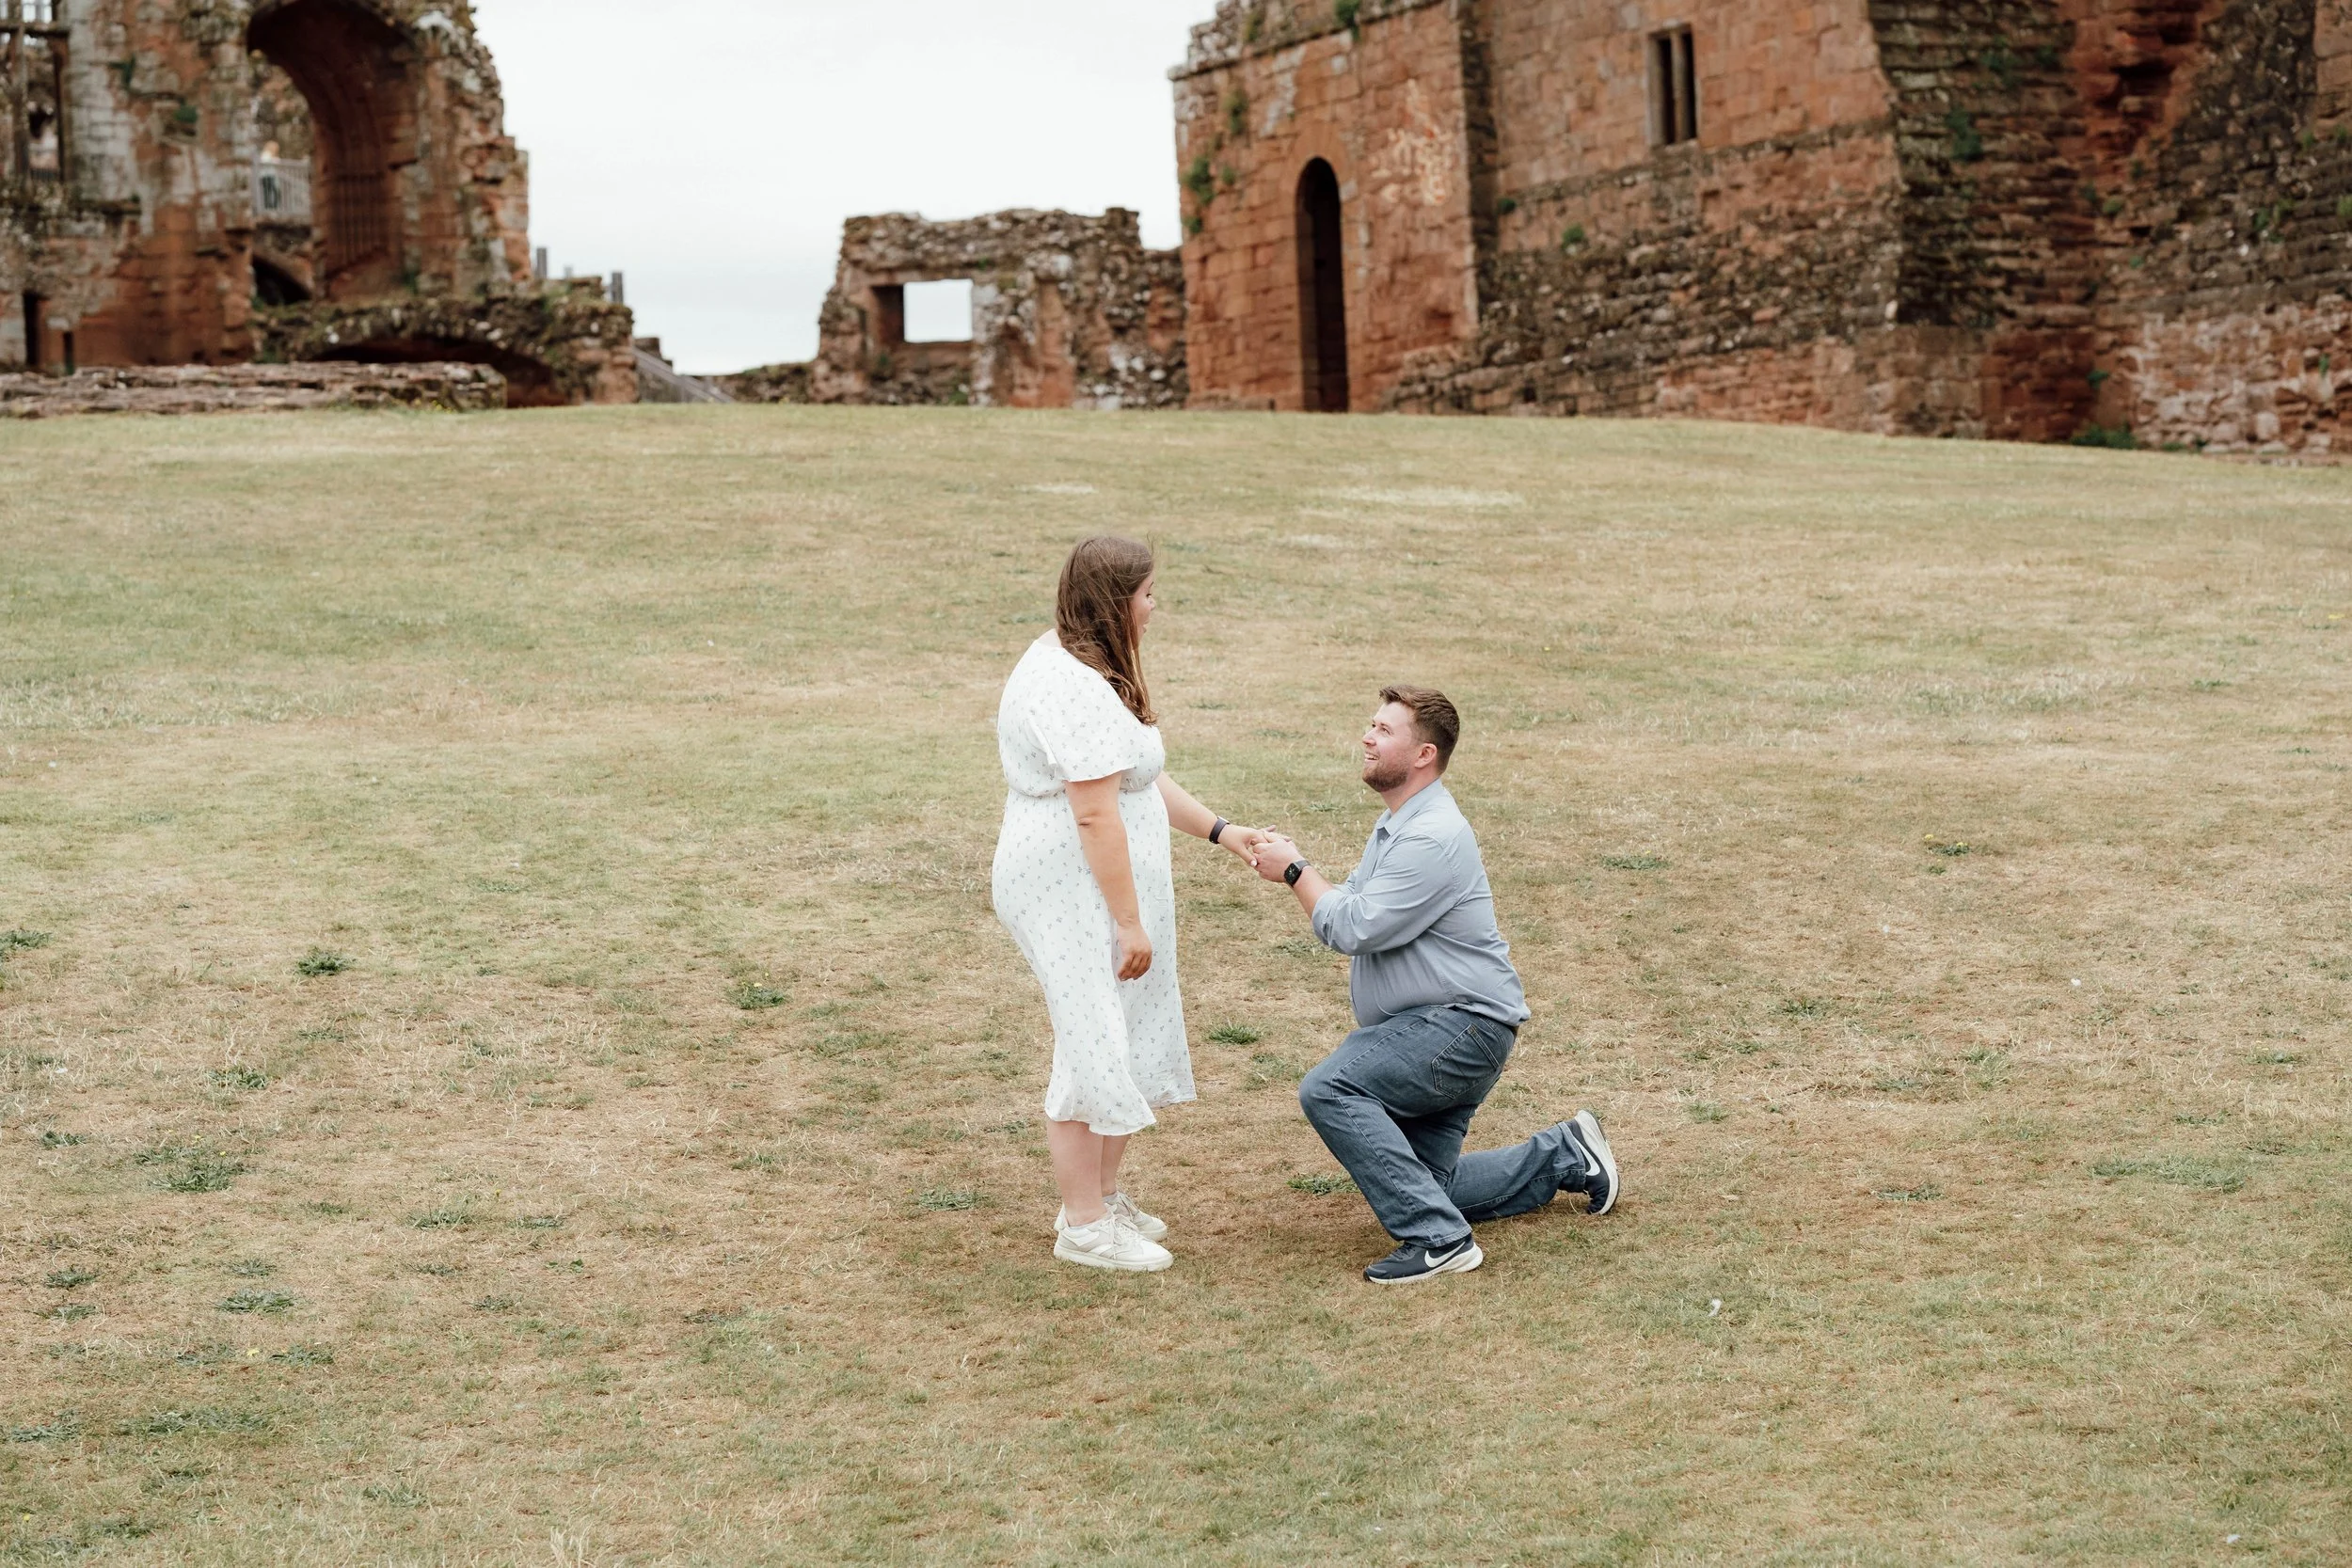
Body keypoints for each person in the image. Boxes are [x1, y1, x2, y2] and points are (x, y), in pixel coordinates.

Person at [1248, 686, 1620, 1284]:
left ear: (1424, 754)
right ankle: (1566, 1154)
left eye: (1384, 730)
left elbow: (1353, 925)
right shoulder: (1400, 824)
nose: (1367, 737)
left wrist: (1294, 870)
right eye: (1370, 725)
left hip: (1457, 1028)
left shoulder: (1430, 836)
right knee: (1430, 1185)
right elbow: (1355, 904)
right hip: (1438, 1029)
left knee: (1331, 1088)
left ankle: (1440, 1241)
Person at [993, 536, 1269, 1273]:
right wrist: (1125, 920)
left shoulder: (1092, 665)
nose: (1156, 605)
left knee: (1124, 1024)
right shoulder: (1072, 685)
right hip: (1067, 886)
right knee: (1091, 1036)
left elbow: (1137, 779)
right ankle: (1082, 1225)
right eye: (1148, 593)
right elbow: (1093, 814)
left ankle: (1103, 1196)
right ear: (1118, 602)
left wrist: (1222, 830)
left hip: (1098, 883)